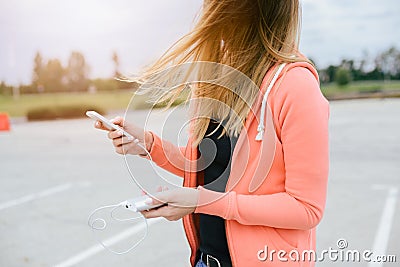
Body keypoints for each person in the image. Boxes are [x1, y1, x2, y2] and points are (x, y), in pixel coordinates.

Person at [95, 0, 329, 266]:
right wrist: (147, 144)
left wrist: (200, 201)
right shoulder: (216, 78)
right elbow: (207, 163)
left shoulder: (296, 87)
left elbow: (306, 208)